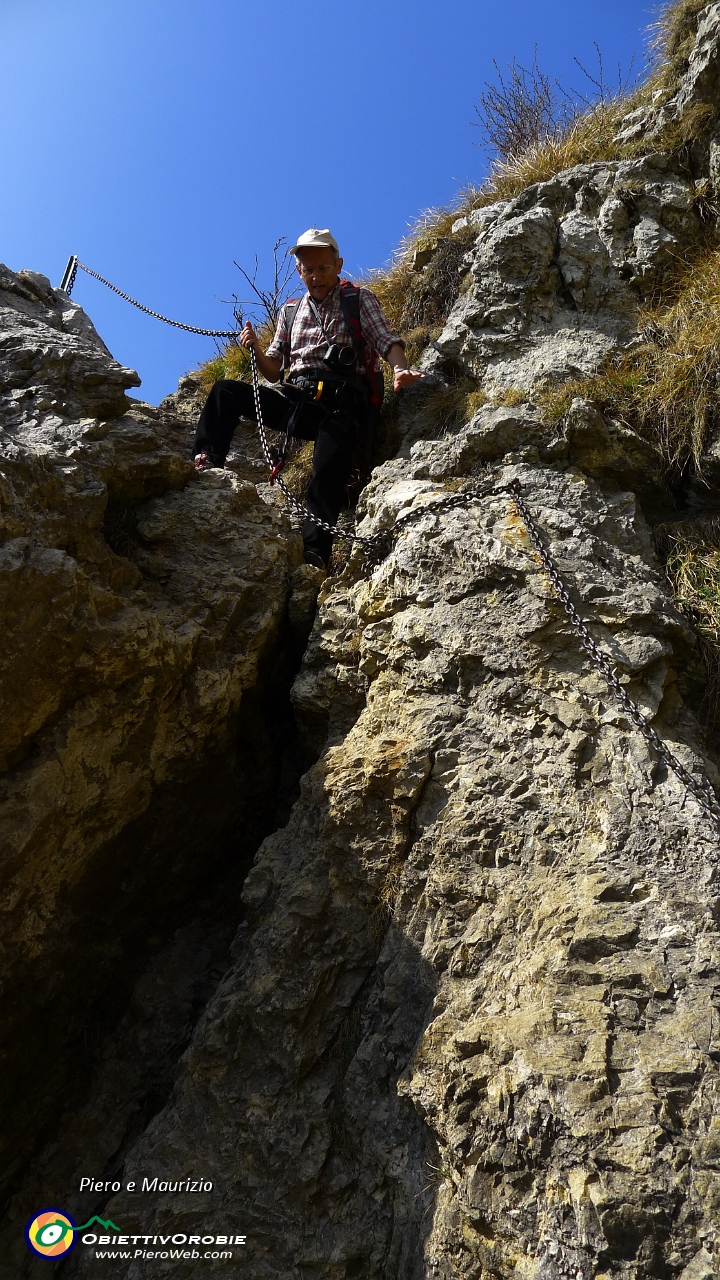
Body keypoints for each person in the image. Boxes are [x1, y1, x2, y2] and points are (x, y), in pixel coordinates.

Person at [192, 228, 424, 568]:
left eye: (323, 268)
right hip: (296, 399)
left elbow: (385, 340)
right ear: (299, 270)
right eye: (308, 269)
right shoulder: (289, 311)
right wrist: (255, 348)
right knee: (226, 391)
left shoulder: (358, 300)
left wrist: (400, 369)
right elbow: (273, 371)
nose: (315, 276)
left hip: (342, 405)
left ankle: (315, 553)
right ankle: (207, 458)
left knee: (327, 467)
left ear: (338, 265)